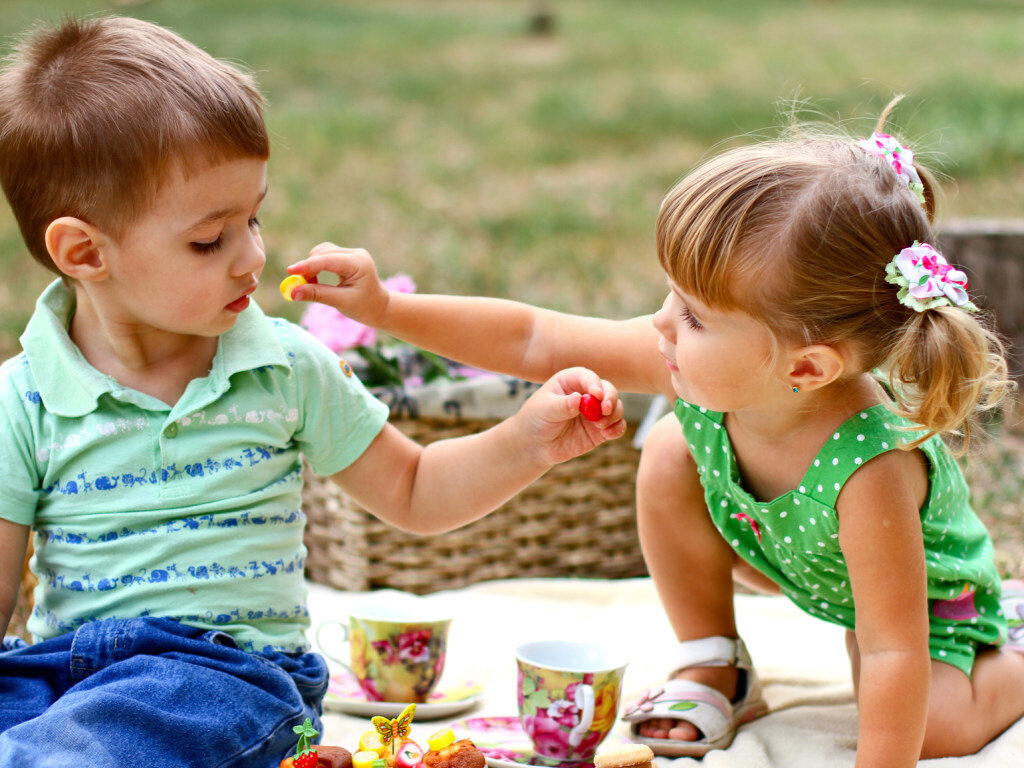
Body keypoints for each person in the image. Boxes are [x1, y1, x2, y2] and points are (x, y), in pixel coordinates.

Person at [286, 104, 1024, 766]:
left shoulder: (871, 470)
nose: (663, 324)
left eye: (695, 316)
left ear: (807, 366)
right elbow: (535, 337)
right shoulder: (715, 368)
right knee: (671, 447)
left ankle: (1014, 653)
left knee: (924, 726)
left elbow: (896, 647)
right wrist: (386, 308)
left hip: (922, 609)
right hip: (789, 554)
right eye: (672, 296)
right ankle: (712, 665)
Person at [0, 16, 627, 767]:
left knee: (95, 743)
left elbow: (416, 489)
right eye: (211, 239)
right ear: (83, 251)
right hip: (63, 675)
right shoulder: (23, 398)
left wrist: (526, 440)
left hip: (231, 677)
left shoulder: (283, 369)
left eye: (254, 217)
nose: (253, 258)